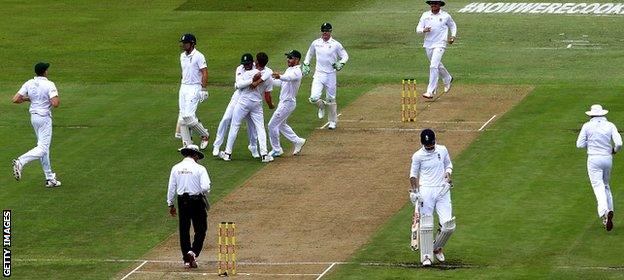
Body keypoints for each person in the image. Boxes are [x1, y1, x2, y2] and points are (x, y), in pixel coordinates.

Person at [409, 129, 455, 266]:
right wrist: (415, 192)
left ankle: (436, 247)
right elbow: (413, 175)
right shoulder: (417, 156)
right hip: (426, 191)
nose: (430, 148)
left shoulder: (442, 150)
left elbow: (448, 165)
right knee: (426, 225)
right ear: (422, 143)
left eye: (432, 145)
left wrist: (448, 173)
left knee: (448, 225)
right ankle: (426, 256)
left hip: (442, 190)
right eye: (427, 146)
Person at [11, 62, 62, 188]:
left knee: (43, 148)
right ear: (45, 72)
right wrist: (48, 99)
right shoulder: (49, 84)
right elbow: (55, 103)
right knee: (43, 148)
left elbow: (15, 99)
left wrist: (30, 99)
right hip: (44, 118)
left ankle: (50, 178)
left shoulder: (29, 83)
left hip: (34, 118)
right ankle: (20, 161)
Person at [220, 52, 274, 163]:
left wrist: (253, 81)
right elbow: (269, 75)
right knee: (260, 128)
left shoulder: (251, 72)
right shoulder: (268, 75)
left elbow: (238, 85)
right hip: (257, 103)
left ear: (257, 62)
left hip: (244, 102)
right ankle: (264, 154)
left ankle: (227, 153)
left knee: (235, 126)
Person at [576, 104, 622, 231]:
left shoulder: (587, 126)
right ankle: (609, 212)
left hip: (593, 158)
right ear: (603, 114)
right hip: (607, 158)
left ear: (591, 115)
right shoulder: (610, 125)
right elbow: (619, 143)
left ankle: (605, 212)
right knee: (606, 185)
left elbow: (579, 144)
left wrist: (590, 145)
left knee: (598, 186)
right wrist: (614, 150)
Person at [167, 144, 211, 268]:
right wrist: (203, 193)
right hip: (196, 201)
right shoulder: (200, 169)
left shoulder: (175, 168)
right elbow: (206, 187)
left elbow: (171, 187)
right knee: (201, 228)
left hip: (182, 201)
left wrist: (170, 204)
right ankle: (193, 252)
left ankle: (186, 260)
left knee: (184, 229)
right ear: (195, 155)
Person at [212, 54, 262, 158]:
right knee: (226, 118)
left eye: (248, 64)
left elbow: (240, 84)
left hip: (249, 98)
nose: (246, 66)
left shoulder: (256, 69)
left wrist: (245, 83)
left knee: (251, 125)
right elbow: (239, 85)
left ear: (252, 62)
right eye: (244, 64)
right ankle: (217, 145)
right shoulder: (239, 68)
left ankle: (253, 147)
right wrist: (252, 80)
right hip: (238, 95)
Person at [302, 22, 349, 130]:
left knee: (331, 99)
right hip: (318, 74)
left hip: (331, 74)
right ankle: (321, 106)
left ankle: (332, 121)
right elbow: (309, 54)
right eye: (323, 31)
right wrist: (306, 64)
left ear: (330, 31)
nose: (325, 33)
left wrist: (341, 63)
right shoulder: (316, 43)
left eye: (327, 31)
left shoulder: (336, 44)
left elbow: (345, 55)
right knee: (313, 98)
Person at [268, 50, 307, 157]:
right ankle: (298, 141)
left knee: (272, 125)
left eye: (290, 58)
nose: (288, 60)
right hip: (284, 102)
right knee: (281, 125)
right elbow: (280, 83)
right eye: (288, 57)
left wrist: (279, 76)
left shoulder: (297, 71)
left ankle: (277, 149)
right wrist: (268, 79)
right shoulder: (289, 69)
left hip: (287, 103)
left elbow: (288, 78)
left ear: (297, 59)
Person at [416, 0, 457, 99]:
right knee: (437, 64)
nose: (433, 5)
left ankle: (430, 91)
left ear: (439, 5)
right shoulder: (425, 15)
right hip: (428, 44)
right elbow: (418, 29)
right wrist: (423, 30)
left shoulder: (445, 16)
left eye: (435, 3)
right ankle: (447, 78)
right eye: (431, 3)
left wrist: (453, 36)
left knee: (433, 66)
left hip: (440, 44)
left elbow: (453, 25)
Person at [177, 33, 210, 150]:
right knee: (182, 118)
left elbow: (205, 72)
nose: (183, 45)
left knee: (188, 115)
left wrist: (204, 88)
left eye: (185, 43)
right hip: (184, 87)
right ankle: (187, 145)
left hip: (195, 87)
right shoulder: (182, 56)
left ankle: (204, 135)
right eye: (183, 43)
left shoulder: (199, 56)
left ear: (192, 44)